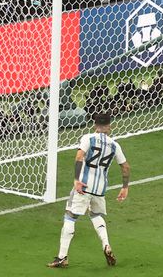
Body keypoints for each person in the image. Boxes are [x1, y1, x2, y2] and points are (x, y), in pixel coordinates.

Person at [47, 113, 130, 269]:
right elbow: (125, 166)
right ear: (110, 126)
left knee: (70, 216)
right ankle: (106, 245)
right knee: (96, 215)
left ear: (95, 125)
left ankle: (62, 257)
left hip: (84, 185)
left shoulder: (88, 138)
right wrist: (125, 187)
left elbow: (79, 156)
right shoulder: (114, 145)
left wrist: (76, 179)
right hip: (100, 188)